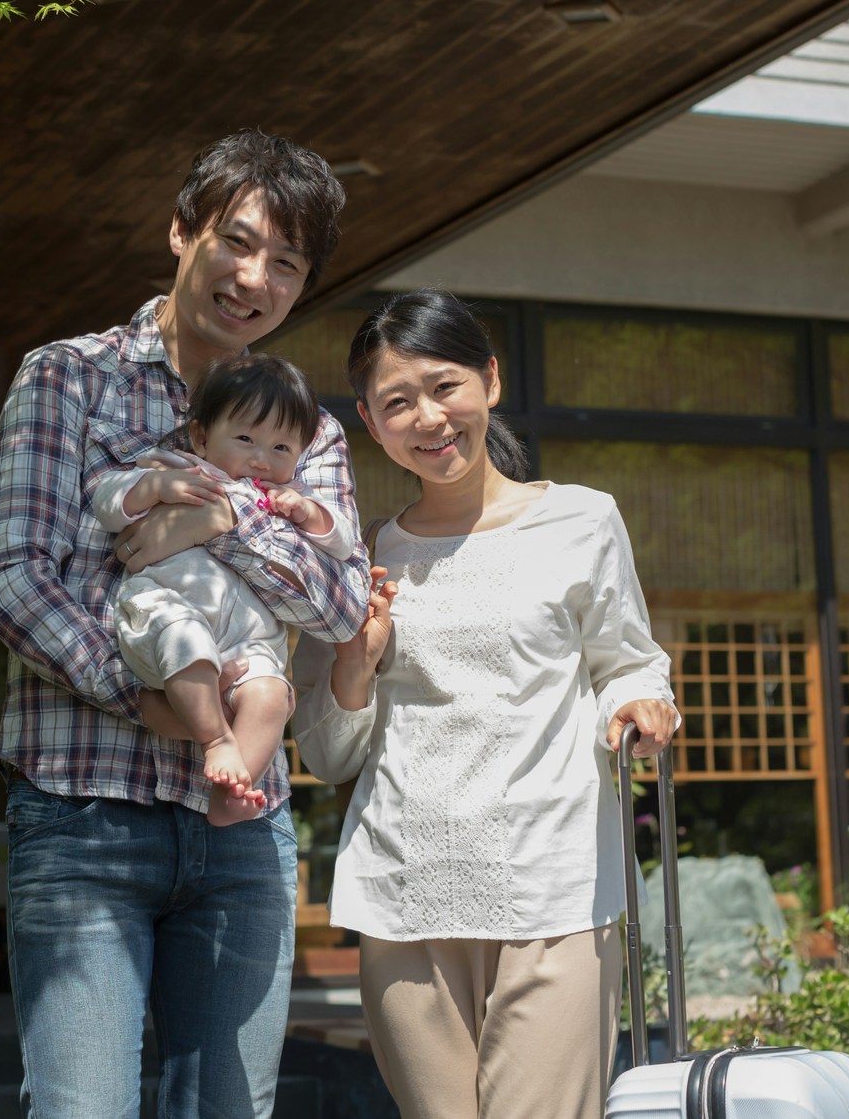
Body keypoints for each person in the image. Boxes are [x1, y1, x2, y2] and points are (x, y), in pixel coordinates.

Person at [0, 130, 370, 1118]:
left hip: (243, 841)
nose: (254, 278)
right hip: (81, 817)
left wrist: (214, 518)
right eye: (237, 242)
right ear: (180, 231)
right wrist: (145, 700)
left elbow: (339, 602)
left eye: (285, 263)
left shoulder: (306, 425)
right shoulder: (67, 377)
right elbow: (11, 579)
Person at [292, 288, 681, 1119]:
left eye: (444, 386)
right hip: (404, 893)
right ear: (370, 420)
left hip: (553, 885)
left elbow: (628, 660)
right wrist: (356, 664)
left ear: (490, 381)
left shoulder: (583, 519)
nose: (428, 417)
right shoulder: (360, 559)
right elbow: (325, 753)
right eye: (398, 402)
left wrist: (640, 703)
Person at [92, 353, 357, 826]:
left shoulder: (286, 496)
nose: (262, 458)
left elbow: (342, 542)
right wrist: (155, 488)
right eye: (245, 439)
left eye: (282, 448)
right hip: (164, 608)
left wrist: (307, 512)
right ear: (200, 437)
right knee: (186, 638)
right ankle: (217, 741)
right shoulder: (180, 468)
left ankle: (234, 792)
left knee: (273, 693)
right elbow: (108, 501)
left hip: (248, 640)